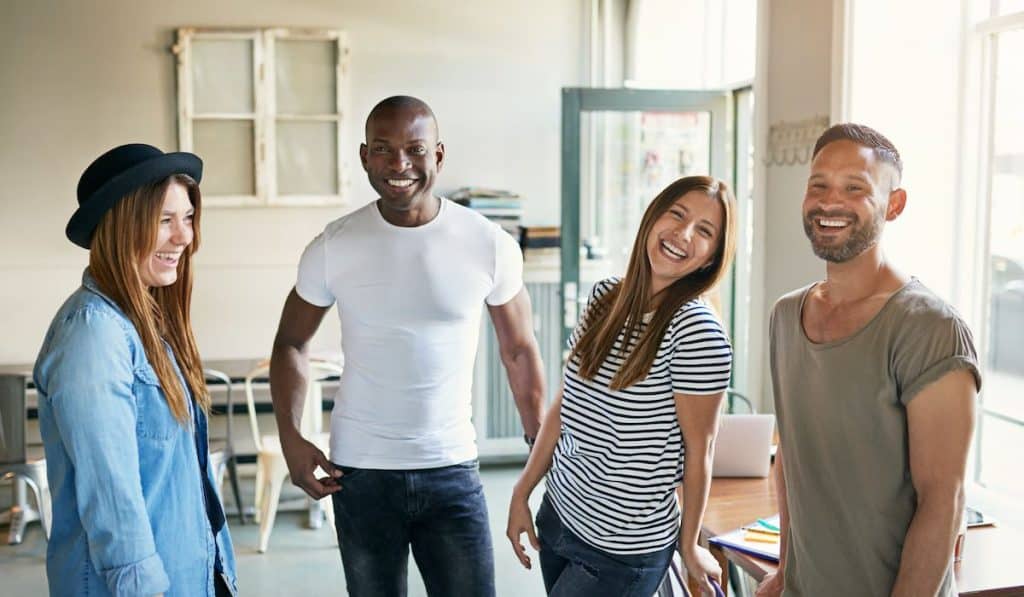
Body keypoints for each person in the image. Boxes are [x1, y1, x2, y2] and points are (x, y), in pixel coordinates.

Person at [269, 95, 546, 597]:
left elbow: (520, 350)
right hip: (359, 472)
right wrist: (290, 436)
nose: (399, 165)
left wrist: (539, 446)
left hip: (452, 468)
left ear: (438, 156)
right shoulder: (334, 245)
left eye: (414, 149)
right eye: (383, 149)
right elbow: (291, 342)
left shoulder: (487, 243)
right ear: (363, 157)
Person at [755, 123, 980, 597]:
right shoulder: (784, 316)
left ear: (893, 205)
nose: (829, 202)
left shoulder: (930, 329)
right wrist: (786, 570)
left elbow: (943, 501)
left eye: (854, 188)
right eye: (819, 185)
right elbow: (791, 464)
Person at [507, 175, 737, 597]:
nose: (683, 235)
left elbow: (699, 449)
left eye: (704, 231)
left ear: (710, 258)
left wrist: (689, 546)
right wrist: (523, 490)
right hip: (559, 515)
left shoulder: (696, 332)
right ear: (653, 218)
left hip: (619, 552)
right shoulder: (604, 298)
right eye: (677, 215)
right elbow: (564, 407)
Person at [33, 144, 237, 597]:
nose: (185, 237)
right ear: (124, 224)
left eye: (187, 218)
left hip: (188, 575)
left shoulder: (144, 323)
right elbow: (112, 497)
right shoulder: (94, 333)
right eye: (165, 220)